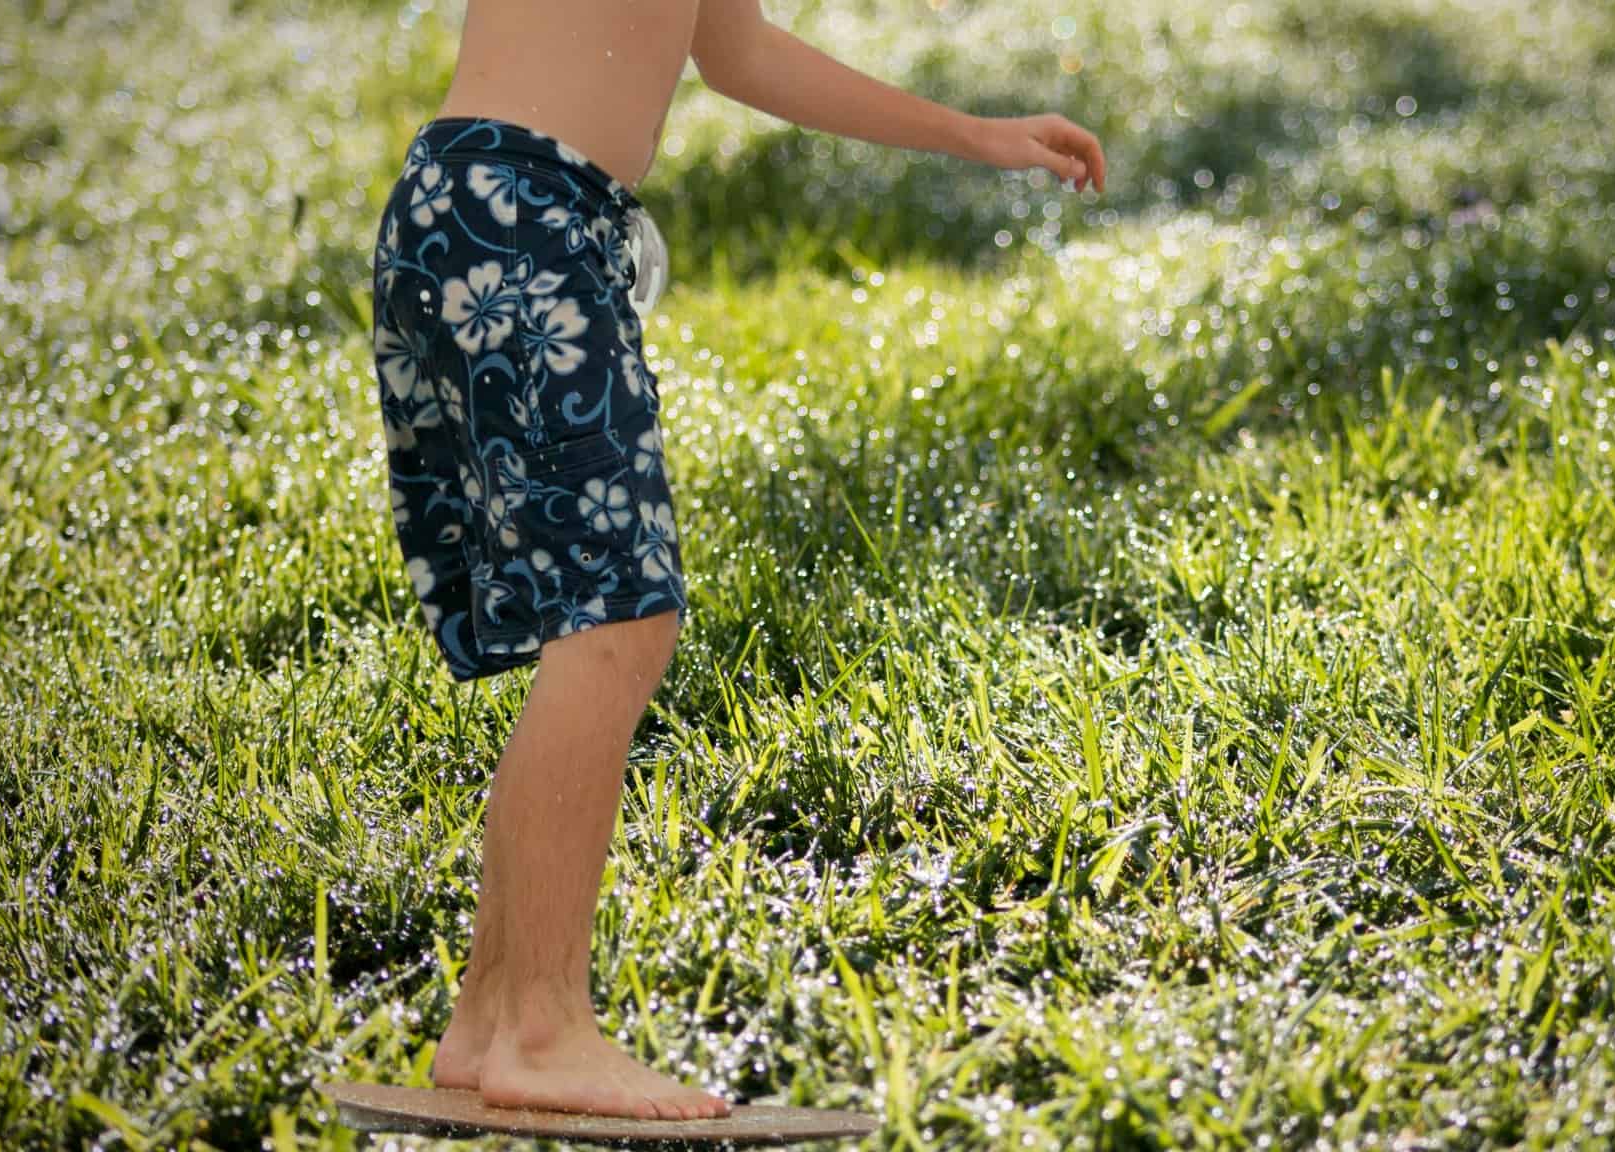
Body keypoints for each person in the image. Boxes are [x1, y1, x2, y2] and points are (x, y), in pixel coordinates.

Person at [368, 0, 1107, 1124]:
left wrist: (980, 133)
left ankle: (487, 1021)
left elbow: (736, 51)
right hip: (524, 217)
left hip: (472, 207)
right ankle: (542, 1029)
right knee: (615, 627)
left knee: (601, 627)